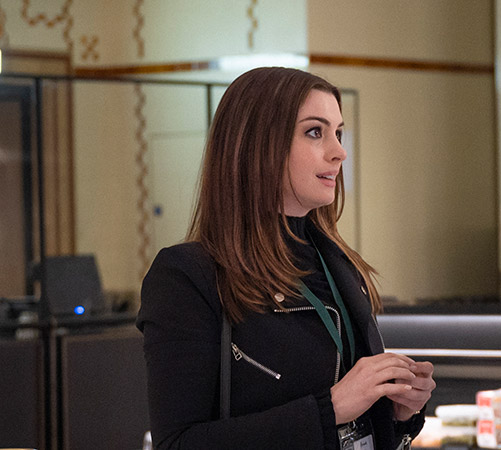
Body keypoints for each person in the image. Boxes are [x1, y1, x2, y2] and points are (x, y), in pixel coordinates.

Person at [137, 67, 435, 449]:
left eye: (338, 132)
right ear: (258, 145)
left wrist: (397, 412)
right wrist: (330, 409)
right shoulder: (188, 276)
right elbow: (177, 443)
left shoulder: (338, 265)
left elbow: (352, 430)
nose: (339, 151)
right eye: (315, 132)